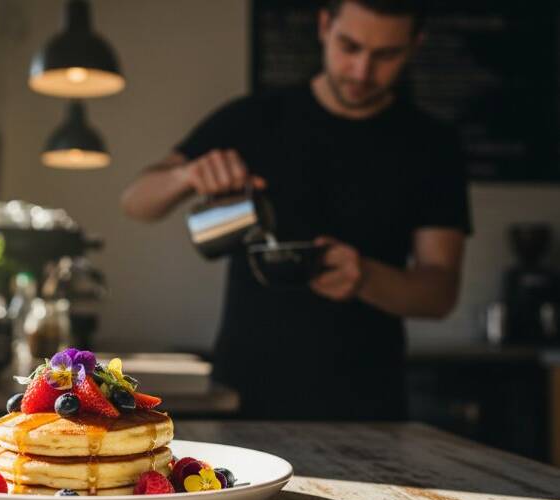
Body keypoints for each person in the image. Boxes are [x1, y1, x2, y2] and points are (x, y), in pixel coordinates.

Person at [121, 0, 471, 420]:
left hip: (367, 404)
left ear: (415, 45)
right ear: (324, 25)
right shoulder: (253, 118)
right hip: (242, 395)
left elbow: (439, 293)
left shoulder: (432, 146)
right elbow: (136, 202)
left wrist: (364, 277)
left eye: (386, 55)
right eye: (350, 46)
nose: (362, 71)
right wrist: (186, 176)